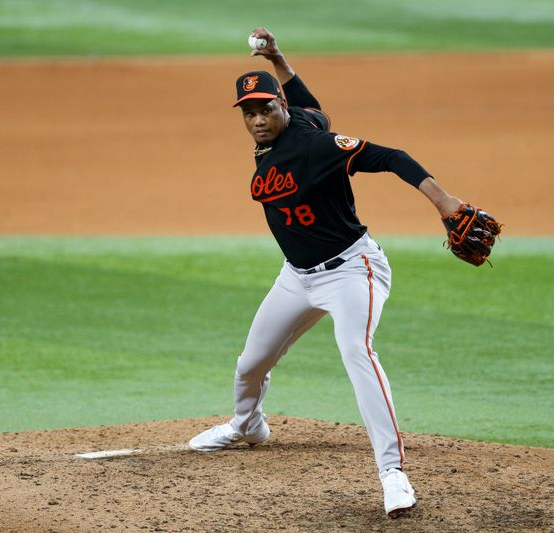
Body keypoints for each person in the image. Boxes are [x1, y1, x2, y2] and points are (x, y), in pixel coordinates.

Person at [189, 27, 464, 518]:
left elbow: (391, 157)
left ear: (281, 109)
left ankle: (393, 474)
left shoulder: (318, 146)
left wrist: (444, 203)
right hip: (296, 276)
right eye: (248, 112)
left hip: (351, 271)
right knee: (251, 363)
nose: (257, 119)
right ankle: (246, 426)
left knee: (357, 353)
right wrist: (279, 60)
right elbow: (308, 100)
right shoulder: (293, 123)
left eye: (265, 109)